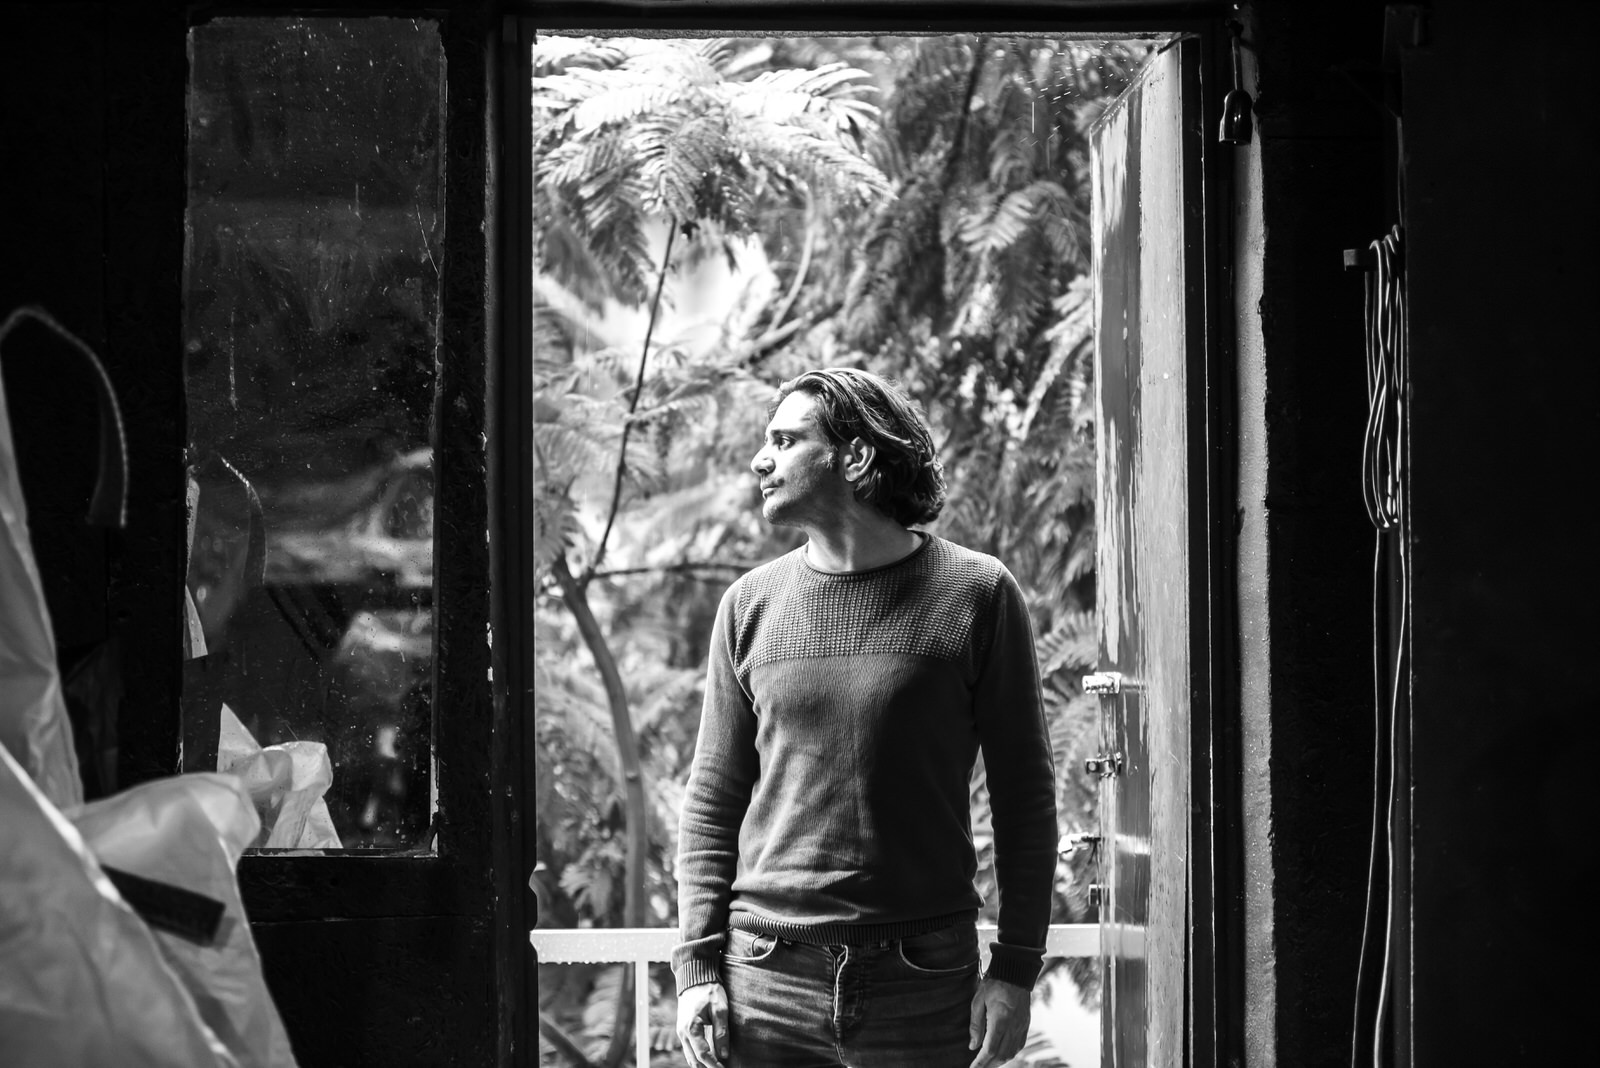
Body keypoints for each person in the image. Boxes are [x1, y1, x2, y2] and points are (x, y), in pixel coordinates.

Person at [673, 368, 1058, 1068]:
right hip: (766, 978)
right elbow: (712, 798)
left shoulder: (978, 594)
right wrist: (697, 968)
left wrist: (1015, 968)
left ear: (854, 456)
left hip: (924, 978)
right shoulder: (749, 605)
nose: (761, 460)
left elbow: (1024, 798)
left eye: (785, 441)